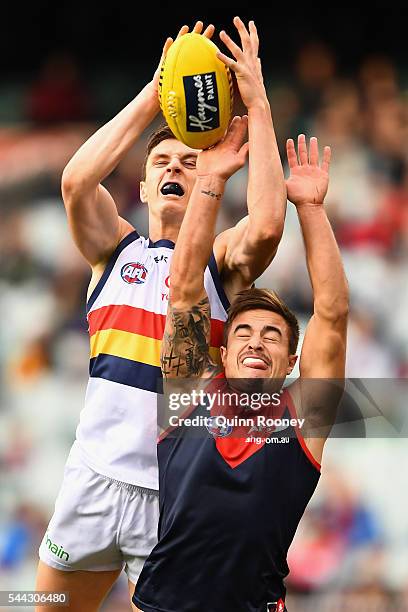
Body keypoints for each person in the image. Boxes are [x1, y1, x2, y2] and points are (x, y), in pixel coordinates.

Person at [35, 17, 287, 612]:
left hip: (176, 495)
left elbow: (270, 223)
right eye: (161, 164)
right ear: (143, 188)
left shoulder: (221, 263)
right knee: (29, 605)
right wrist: (157, 92)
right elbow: (76, 181)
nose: (174, 168)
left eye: (188, 161)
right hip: (92, 479)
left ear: (212, 178)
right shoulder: (114, 250)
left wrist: (258, 102)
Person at [132, 133, 349, 612]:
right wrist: (210, 180)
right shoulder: (187, 392)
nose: (256, 341)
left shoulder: (303, 421)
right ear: (223, 354)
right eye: (244, 333)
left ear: (292, 362)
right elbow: (185, 288)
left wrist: (310, 209)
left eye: (273, 336)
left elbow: (331, 314)